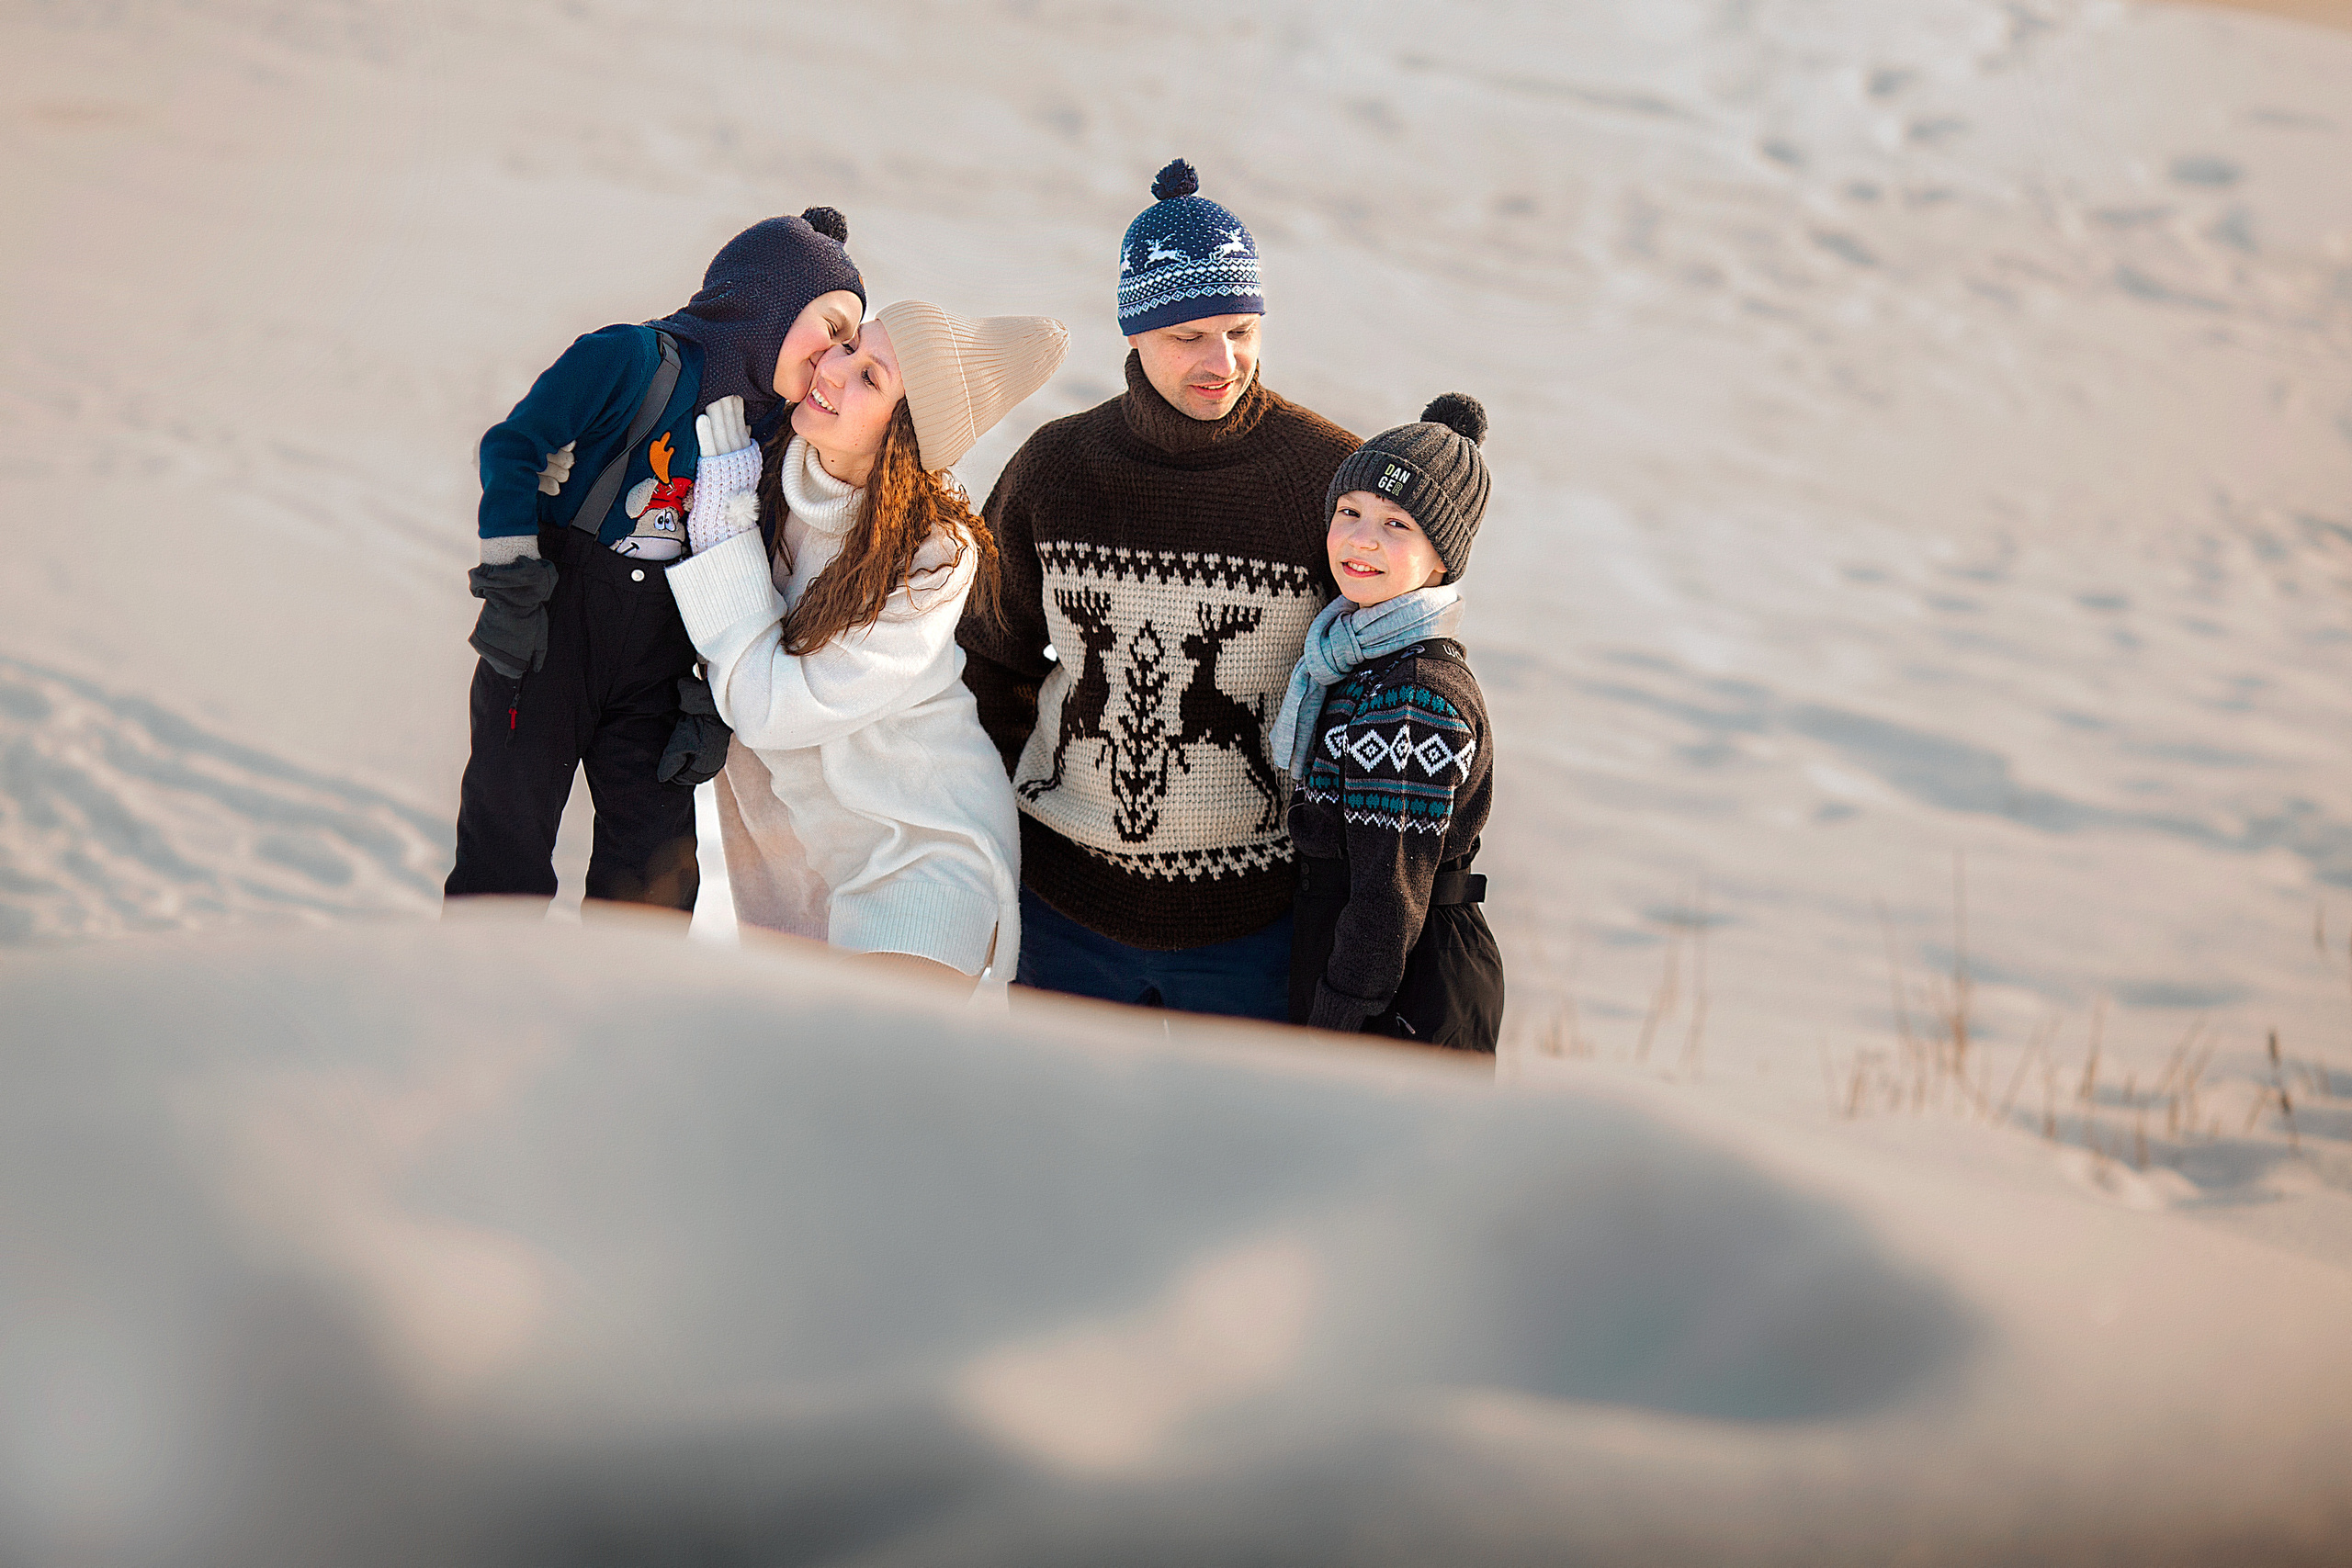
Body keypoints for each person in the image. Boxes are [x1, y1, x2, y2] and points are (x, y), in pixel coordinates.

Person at [957, 159, 1358, 1021]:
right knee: (1052, 1147)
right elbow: (988, 661)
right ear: (1135, 334)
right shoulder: (1056, 469)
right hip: (1064, 910)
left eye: (1243, 330)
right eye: (1191, 336)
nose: (1225, 362)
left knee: (1223, 1156)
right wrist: (979, 852)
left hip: (1255, 925)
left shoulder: (1325, 479)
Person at [445, 209, 865, 915]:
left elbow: (751, 570)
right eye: (832, 328)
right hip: (551, 637)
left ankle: (626, 1018)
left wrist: (709, 696)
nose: (837, 356)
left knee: (653, 877)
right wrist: (512, 586)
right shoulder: (632, 360)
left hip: (657, 668)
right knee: (504, 848)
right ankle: (477, 1009)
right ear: (769, 299)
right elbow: (512, 448)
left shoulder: (771, 442)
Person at [668, 301, 1069, 984]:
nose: (832, 368)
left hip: (922, 857)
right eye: (848, 346)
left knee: (878, 1085)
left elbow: (770, 707)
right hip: (802, 859)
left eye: (870, 377)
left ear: (903, 438)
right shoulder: (760, 473)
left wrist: (724, 538)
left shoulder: (931, 558)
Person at [1270, 394, 1505, 1052]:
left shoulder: (1413, 699)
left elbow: (1386, 897)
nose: (1361, 539)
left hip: (1401, 994)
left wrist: (1336, 1026)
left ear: (1441, 560)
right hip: (1372, 975)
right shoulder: (1360, 658)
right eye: (1350, 512)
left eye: (1396, 524)